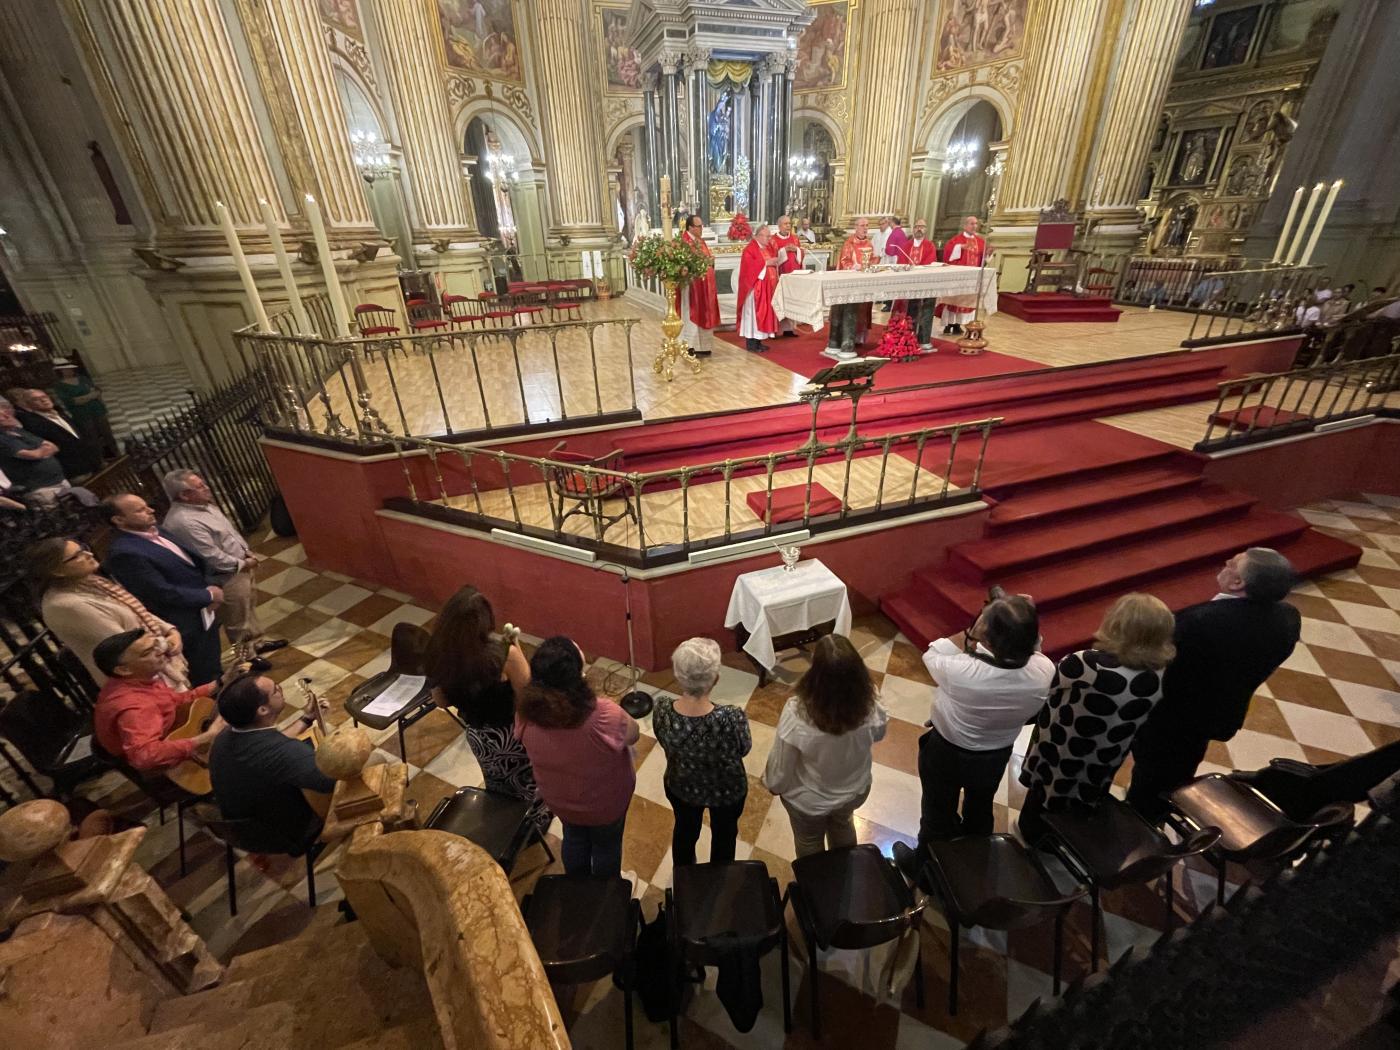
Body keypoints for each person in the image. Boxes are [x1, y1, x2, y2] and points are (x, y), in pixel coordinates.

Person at [1127, 549, 1301, 821]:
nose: (1225, 565)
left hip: (1170, 717)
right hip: (1219, 713)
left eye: (1231, 564)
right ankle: (1159, 810)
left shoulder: (1197, 621)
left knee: (1150, 780)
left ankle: (1139, 831)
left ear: (1237, 583)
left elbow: (1157, 666)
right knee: (1180, 768)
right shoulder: (1289, 618)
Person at [894, 592, 1054, 882]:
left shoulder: (962, 671)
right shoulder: (1044, 670)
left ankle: (926, 871)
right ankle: (973, 865)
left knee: (937, 811)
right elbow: (1035, 649)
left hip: (947, 751)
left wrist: (971, 632)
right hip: (995, 754)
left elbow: (931, 654)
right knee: (980, 809)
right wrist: (1018, 618)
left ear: (988, 638)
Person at [1017, 594, 1176, 845]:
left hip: (1064, 746)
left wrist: (1035, 649)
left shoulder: (1090, 663)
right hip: (1108, 750)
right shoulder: (1159, 669)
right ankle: (1068, 839)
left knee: (1047, 793)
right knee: (1085, 792)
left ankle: (1036, 837)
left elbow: (1049, 683)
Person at [427, 585, 549, 832]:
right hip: (512, 735)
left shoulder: (438, 653)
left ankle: (505, 824)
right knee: (528, 784)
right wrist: (517, 651)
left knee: (497, 783)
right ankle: (531, 828)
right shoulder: (502, 654)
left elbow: (440, 701)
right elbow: (527, 696)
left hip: (479, 735)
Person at [516, 636, 639, 876]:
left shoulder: (525, 714)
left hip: (560, 800)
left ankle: (577, 886)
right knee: (607, 846)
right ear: (576, 676)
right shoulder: (603, 714)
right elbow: (633, 735)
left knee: (573, 838)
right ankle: (603, 894)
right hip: (605, 804)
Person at [763, 635, 888, 858]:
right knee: (843, 825)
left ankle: (817, 886)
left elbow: (783, 766)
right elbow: (878, 735)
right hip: (853, 789)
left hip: (809, 799)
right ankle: (845, 872)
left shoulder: (797, 711)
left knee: (809, 841)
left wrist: (774, 784)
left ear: (816, 672)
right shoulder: (871, 701)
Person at [28, 536, 191, 691]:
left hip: (158, 659)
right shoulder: (65, 606)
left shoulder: (89, 581)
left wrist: (170, 630)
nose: (89, 554)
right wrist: (167, 643)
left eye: (83, 549)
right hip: (142, 680)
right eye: (77, 555)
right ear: (57, 571)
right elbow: (126, 646)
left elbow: (134, 610)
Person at [102, 493, 224, 686]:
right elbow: (160, 592)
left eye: (147, 506)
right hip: (185, 622)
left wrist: (210, 588)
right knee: (205, 676)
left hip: (204, 612)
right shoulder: (124, 553)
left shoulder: (157, 529)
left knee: (214, 663)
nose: (150, 510)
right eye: (140, 510)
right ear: (118, 520)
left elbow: (193, 563)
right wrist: (207, 595)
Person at [160, 469, 285, 656]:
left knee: (248, 609)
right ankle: (247, 658)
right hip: (225, 577)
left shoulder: (204, 505)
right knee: (237, 620)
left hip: (240, 566)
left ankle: (257, 643)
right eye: (200, 486)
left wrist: (245, 552)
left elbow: (229, 534)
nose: (207, 487)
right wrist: (243, 563)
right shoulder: (185, 522)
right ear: (185, 495)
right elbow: (211, 557)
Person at [652, 637, 751, 866]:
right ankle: (718, 878)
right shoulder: (731, 717)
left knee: (685, 832)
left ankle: (685, 877)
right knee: (725, 837)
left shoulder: (663, 709)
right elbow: (744, 749)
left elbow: (662, 739)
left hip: (682, 785)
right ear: (715, 679)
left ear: (678, 676)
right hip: (727, 790)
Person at [208, 674, 334, 854]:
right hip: (285, 834)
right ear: (263, 710)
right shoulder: (283, 753)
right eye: (276, 690)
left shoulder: (225, 736)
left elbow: (271, 744)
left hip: (244, 830)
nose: (281, 689)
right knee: (373, 761)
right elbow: (330, 779)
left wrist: (306, 719)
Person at [91, 628, 227, 773]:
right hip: (170, 769)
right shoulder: (136, 707)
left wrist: (221, 682)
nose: (160, 651)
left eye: (156, 645)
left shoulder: (139, 679)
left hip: (173, 733)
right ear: (123, 670)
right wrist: (205, 738)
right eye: (147, 652)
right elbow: (144, 756)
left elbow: (177, 701)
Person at [0, 399, 98, 507]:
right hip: (42, 488)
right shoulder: (3, 439)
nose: (7, 415)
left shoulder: (18, 431)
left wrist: (40, 451)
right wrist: (41, 451)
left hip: (60, 480)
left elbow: (53, 446)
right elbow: (34, 455)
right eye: (1, 414)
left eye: (6, 411)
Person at [8, 387, 102, 479]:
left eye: (44, 397)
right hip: (76, 470)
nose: (44, 400)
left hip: (93, 462)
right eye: (36, 399)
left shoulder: (59, 412)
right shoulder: (32, 424)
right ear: (28, 405)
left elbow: (77, 436)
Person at [825, 216, 877, 360]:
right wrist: (854, 266)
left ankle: (858, 337)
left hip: (864, 282)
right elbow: (844, 261)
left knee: (862, 308)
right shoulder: (849, 243)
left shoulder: (869, 244)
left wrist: (873, 263)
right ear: (856, 227)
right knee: (850, 310)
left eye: (867, 225)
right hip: (851, 283)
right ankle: (846, 338)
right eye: (862, 225)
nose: (865, 228)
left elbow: (873, 259)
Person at [52, 360, 117, 461]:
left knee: (107, 434)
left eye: (70, 368)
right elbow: (73, 401)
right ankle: (101, 459)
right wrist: (90, 396)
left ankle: (116, 454)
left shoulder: (83, 379)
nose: (69, 371)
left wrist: (88, 398)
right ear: (60, 371)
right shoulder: (60, 386)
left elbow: (96, 392)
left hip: (97, 410)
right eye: (66, 369)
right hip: (82, 415)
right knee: (92, 438)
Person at [936, 215, 988, 335]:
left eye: (976, 224)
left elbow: (983, 260)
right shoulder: (955, 241)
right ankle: (949, 324)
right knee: (954, 300)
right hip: (958, 277)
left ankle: (958, 324)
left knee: (965, 301)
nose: (974, 226)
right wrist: (959, 248)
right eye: (971, 223)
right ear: (965, 225)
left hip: (971, 278)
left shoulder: (980, 242)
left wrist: (988, 254)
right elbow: (948, 255)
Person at [676, 214, 719, 357]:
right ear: (690, 227)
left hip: (704, 285)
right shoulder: (684, 242)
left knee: (704, 312)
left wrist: (709, 261)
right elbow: (683, 264)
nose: (702, 229)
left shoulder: (700, 241)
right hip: (691, 286)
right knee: (691, 314)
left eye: (702, 226)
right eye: (699, 226)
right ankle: (690, 346)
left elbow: (705, 259)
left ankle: (704, 346)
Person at [894, 217, 940, 352]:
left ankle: (923, 339)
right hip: (909, 284)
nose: (919, 229)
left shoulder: (929, 245)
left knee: (925, 309)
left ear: (926, 230)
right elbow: (901, 261)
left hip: (924, 282)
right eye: (916, 226)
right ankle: (908, 337)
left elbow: (930, 261)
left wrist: (918, 269)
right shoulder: (906, 245)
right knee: (910, 309)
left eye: (922, 226)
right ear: (913, 229)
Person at [736, 223, 779, 354]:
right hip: (754, 289)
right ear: (758, 236)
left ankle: (759, 342)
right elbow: (749, 267)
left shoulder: (766, 248)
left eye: (769, 236)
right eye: (767, 236)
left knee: (762, 315)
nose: (769, 239)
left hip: (766, 288)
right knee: (753, 317)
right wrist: (767, 263)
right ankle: (751, 344)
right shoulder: (750, 249)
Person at [770, 215, 807, 337]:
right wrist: (783, 250)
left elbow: (801, 253)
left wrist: (796, 249)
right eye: (785, 224)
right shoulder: (773, 239)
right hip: (780, 275)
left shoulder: (795, 238)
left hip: (794, 275)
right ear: (779, 225)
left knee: (791, 301)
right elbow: (772, 256)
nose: (788, 226)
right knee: (781, 301)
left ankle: (789, 329)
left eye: (789, 224)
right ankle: (777, 329)